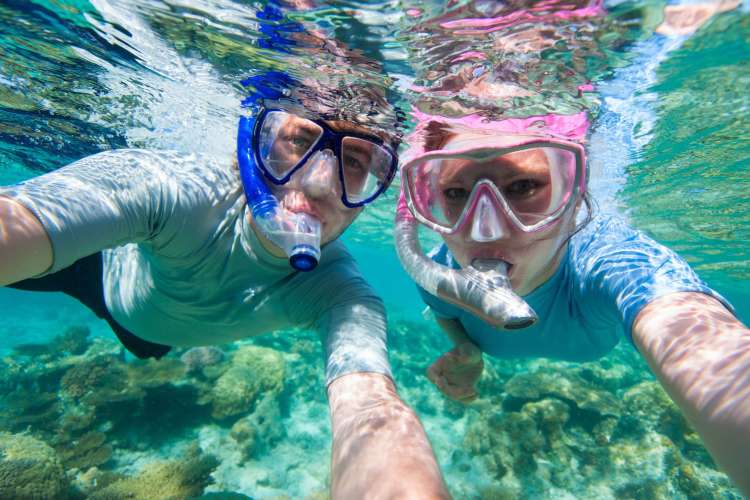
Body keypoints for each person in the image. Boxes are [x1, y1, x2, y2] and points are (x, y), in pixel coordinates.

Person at [0, 67, 450, 497]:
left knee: (149, 348)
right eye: (298, 140)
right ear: (251, 146)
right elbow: (18, 221)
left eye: (353, 161)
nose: (319, 184)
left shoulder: (343, 294)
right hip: (95, 275)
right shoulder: (171, 191)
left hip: (149, 339)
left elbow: (370, 412)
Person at [393, 109, 750, 495]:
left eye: (523, 185)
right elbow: (447, 313)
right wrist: (467, 352)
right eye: (456, 193)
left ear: (574, 190)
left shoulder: (609, 257)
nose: (484, 229)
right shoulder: (437, 275)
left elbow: (693, 332)